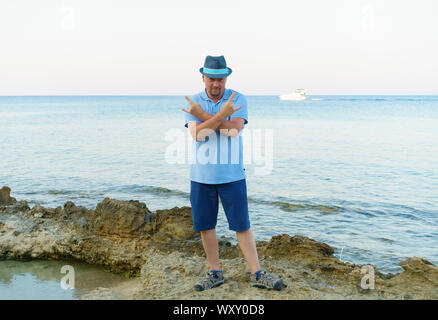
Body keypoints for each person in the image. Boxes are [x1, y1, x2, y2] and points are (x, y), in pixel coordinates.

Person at [182, 55, 284, 291]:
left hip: (233, 175)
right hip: (201, 176)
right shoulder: (193, 101)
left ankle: (257, 273)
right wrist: (219, 116)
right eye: (211, 79)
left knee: (242, 225)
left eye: (220, 79)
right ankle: (215, 273)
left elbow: (233, 131)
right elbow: (198, 135)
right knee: (206, 226)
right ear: (203, 78)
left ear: (226, 78)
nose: (216, 84)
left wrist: (204, 116)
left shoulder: (238, 99)